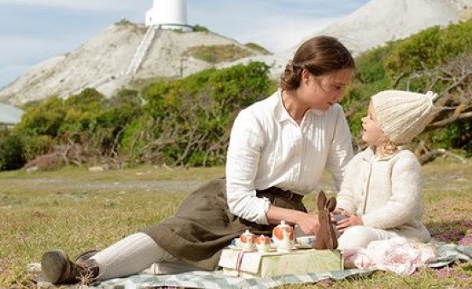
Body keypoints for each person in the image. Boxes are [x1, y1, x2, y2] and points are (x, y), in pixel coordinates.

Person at [40, 35, 356, 285]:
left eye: (344, 87)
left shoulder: (334, 116)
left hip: (287, 212)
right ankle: (83, 270)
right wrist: (303, 220)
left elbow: (347, 174)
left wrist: (342, 211)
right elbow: (240, 199)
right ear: (306, 76)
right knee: (178, 232)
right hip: (231, 202)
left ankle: (130, 262)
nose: (340, 95)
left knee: (245, 257)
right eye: (335, 86)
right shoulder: (255, 118)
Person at [334, 90, 436, 253]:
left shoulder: (404, 161)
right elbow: (347, 194)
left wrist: (363, 221)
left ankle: (339, 252)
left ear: (389, 129)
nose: (363, 120)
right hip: (364, 227)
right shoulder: (360, 160)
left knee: (356, 237)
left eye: (371, 117)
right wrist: (342, 211)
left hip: (399, 234)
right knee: (315, 229)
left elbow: (404, 207)